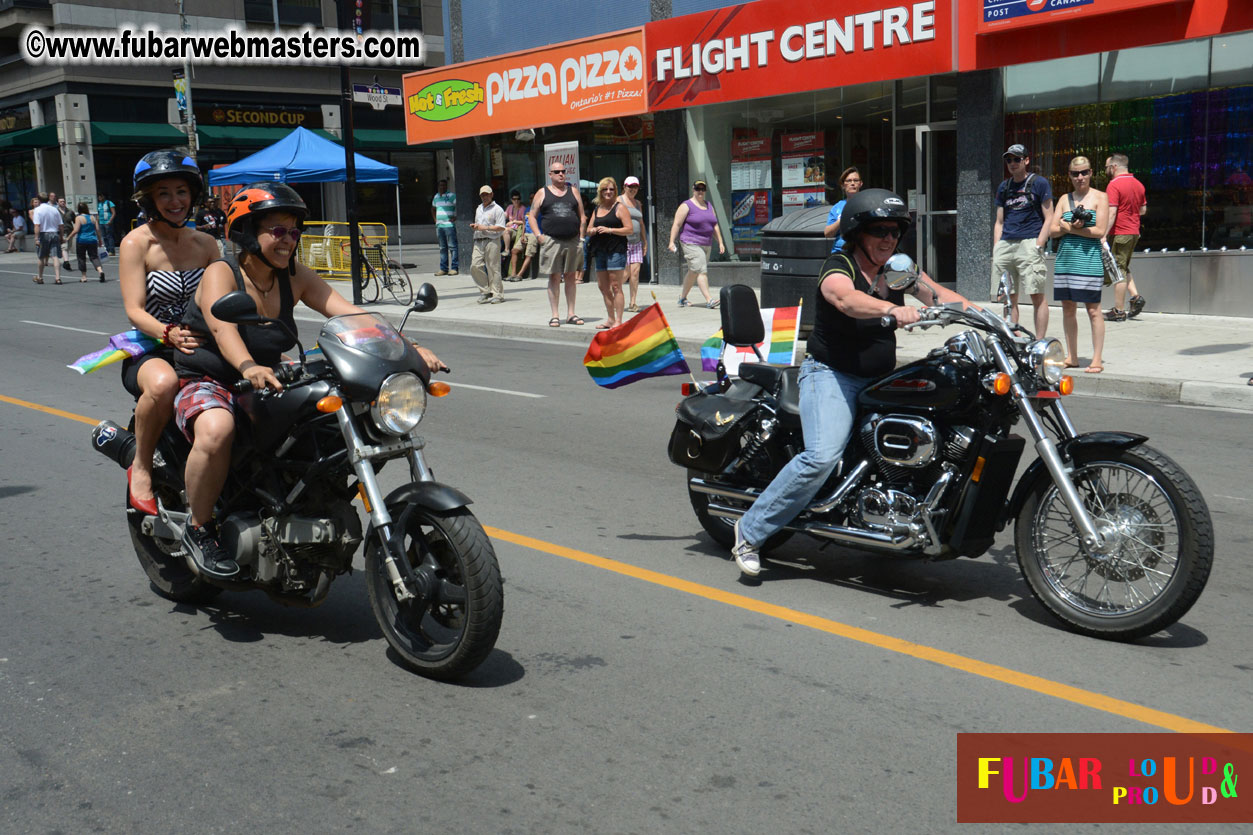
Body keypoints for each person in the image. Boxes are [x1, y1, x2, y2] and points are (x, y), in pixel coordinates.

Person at [173, 181, 444, 577]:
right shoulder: (221, 272)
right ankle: (198, 530)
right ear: (248, 233)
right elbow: (222, 329)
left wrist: (408, 346)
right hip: (212, 377)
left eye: (294, 231)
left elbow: (351, 315)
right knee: (216, 429)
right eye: (277, 230)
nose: (289, 240)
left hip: (270, 377)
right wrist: (248, 367)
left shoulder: (295, 274)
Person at [731, 189, 976, 577]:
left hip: (879, 379)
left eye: (895, 231)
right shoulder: (838, 265)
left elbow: (940, 295)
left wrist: (991, 320)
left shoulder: (897, 268)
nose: (888, 238)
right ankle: (750, 530)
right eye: (879, 229)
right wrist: (894, 309)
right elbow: (844, 300)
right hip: (831, 375)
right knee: (822, 455)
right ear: (858, 231)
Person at [118, 149, 220, 516]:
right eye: (163, 193)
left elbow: (221, 300)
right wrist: (168, 333)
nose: (174, 200)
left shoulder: (206, 244)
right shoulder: (136, 243)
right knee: (163, 386)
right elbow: (133, 309)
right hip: (151, 348)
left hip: (199, 345)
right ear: (149, 199)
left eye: (181, 191)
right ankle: (142, 467)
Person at [1049, 156, 1110, 375]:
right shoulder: (1064, 199)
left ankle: (1096, 359)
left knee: (1093, 310)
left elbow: (1100, 231)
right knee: (1068, 308)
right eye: (1075, 173)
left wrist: (1070, 228)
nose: (1080, 177)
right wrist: (1067, 227)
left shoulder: (1100, 197)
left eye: (1084, 172)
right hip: (1066, 260)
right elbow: (1052, 230)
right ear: (1069, 175)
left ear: (1091, 173)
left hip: (1089, 260)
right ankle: (1072, 357)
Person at [991, 144, 1054, 336]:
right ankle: (1012, 339)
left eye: (1016, 159)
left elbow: (1049, 217)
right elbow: (999, 221)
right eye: (1009, 160)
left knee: (1037, 295)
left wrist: (1039, 244)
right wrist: (997, 247)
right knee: (1008, 297)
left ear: (1026, 160)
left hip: (1030, 243)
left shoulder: (1039, 183)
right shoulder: (1004, 186)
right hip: (1006, 245)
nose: (1012, 163)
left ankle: (1039, 341)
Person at [529, 160, 586, 327]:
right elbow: (532, 215)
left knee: (570, 276)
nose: (561, 174)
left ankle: (571, 313)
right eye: (557, 171)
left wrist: (581, 237)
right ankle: (555, 315)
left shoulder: (573, 191)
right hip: (552, 240)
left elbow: (582, 215)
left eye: (563, 171)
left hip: (573, 240)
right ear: (550, 175)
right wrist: (539, 236)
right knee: (554, 277)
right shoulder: (543, 192)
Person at [1102, 153, 1148, 322]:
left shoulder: (1114, 185)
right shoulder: (1139, 184)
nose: (1106, 171)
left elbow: (1112, 212)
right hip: (1134, 231)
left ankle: (1118, 310)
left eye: (1107, 167)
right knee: (1123, 265)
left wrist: (1103, 234)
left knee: (1118, 269)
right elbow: (1143, 210)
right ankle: (1136, 297)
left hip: (1120, 232)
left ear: (1114, 167)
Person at [668, 179, 725, 308]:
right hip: (690, 242)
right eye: (698, 189)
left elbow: (714, 225)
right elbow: (677, 224)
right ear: (693, 190)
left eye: (702, 189)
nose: (700, 191)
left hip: (706, 243)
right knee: (701, 270)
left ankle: (682, 298)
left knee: (693, 271)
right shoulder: (686, 205)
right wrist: (671, 241)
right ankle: (709, 300)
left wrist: (720, 242)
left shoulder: (709, 205)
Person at [587, 176, 634, 329]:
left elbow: (629, 229)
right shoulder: (597, 208)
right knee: (602, 286)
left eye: (611, 189)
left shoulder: (619, 207)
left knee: (616, 286)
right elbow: (588, 229)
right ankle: (610, 319)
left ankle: (619, 321)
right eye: (605, 189)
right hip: (600, 250)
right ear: (600, 191)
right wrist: (592, 230)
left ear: (615, 191)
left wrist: (610, 230)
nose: (608, 192)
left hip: (616, 250)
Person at [470, 184, 506, 304]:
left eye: (487, 194)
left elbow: (501, 227)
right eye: (482, 195)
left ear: (492, 195)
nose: (484, 197)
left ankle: (498, 294)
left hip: (492, 240)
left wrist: (484, 227)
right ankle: (485, 290)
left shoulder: (497, 209)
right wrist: (476, 227)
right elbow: (478, 224)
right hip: (478, 240)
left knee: (493, 268)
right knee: (475, 266)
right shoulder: (478, 208)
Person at [619, 175, 648, 312]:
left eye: (635, 186)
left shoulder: (638, 203)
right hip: (622, 242)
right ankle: (615, 299)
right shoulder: (618, 201)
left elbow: (641, 223)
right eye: (630, 186)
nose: (633, 189)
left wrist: (645, 241)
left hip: (636, 242)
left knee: (635, 273)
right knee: (625, 274)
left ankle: (632, 303)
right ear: (624, 187)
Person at [823, 166, 863, 252]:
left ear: (860, 184)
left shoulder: (867, 203)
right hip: (839, 253)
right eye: (849, 181)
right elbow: (827, 234)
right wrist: (842, 219)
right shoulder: (837, 207)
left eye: (856, 180)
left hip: (861, 252)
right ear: (843, 186)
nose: (852, 183)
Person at [31, 194, 64, 285]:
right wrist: (61, 236)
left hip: (43, 234)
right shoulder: (54, 209)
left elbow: (37, 225)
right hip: (54, 233)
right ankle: (58, 278)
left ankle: (40, 277)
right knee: (55, 256)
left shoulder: (37, 210)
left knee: (41, 256)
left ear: (39, 200)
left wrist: (36, 238)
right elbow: (61, 225)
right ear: (48, 199)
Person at [69, 201, 105, 282]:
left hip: (82, 240)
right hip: (92, 240)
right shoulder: (92, 217)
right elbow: (98, 230)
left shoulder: (78, 218)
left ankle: (84, 276)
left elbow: (76, 230)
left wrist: (68, 238)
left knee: (81, 258)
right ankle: (100, 271)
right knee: (94, 257)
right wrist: (100, 240)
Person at [432, 179, 458, 276]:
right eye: (440, 185)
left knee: (452, 247)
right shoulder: (436, 197)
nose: (442, 187)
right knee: (442, 248)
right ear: (438, 187)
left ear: (446, 186)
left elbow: (460, 205)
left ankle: (454, 268)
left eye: (444, 185)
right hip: (440, 226)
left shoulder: (451, 196)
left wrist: (456, 217)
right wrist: (435, 220)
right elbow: (433, 209)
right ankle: (443, 269)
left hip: (449, 225)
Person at [502, 189, 527, 271]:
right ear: (511, 200)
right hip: (509, 229)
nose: (516, 201)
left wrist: (513, 221)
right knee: (500, 231)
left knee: (506, 231)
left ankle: (506, 250)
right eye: (514, 199)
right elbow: (504, 216)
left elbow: (524, 221)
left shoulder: (523, 208)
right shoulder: (510, 207)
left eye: (518, 199)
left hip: (517, 231)